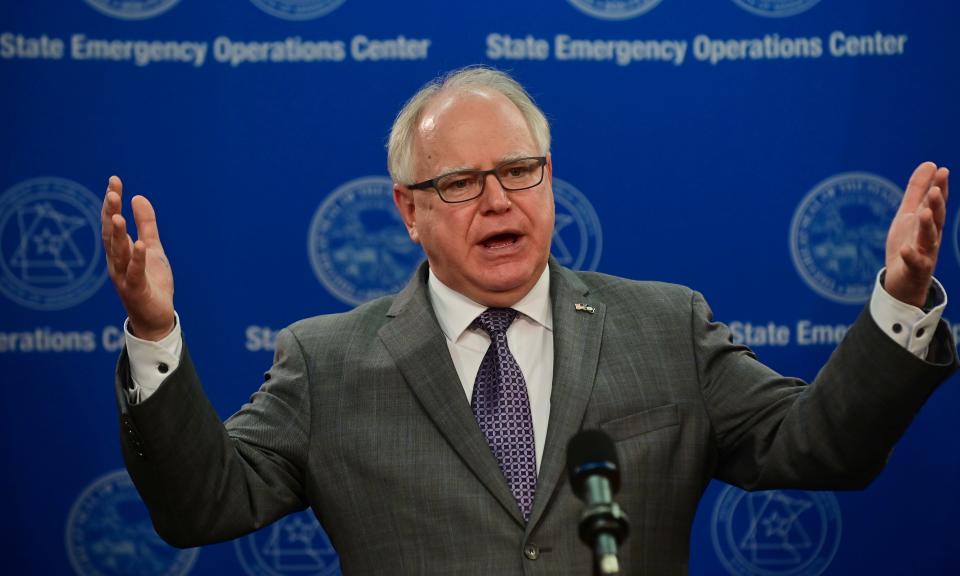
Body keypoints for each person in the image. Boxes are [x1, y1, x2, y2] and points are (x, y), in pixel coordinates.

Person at [102, 66, 955, 575]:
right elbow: (202, 506)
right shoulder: (325, 364)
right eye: (461, 183)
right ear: (407, 208)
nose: (499, 200)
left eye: (520, 170)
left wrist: (899, 299)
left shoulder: (666, 327)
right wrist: (152, 332)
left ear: (551, 178)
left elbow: (820, 447)